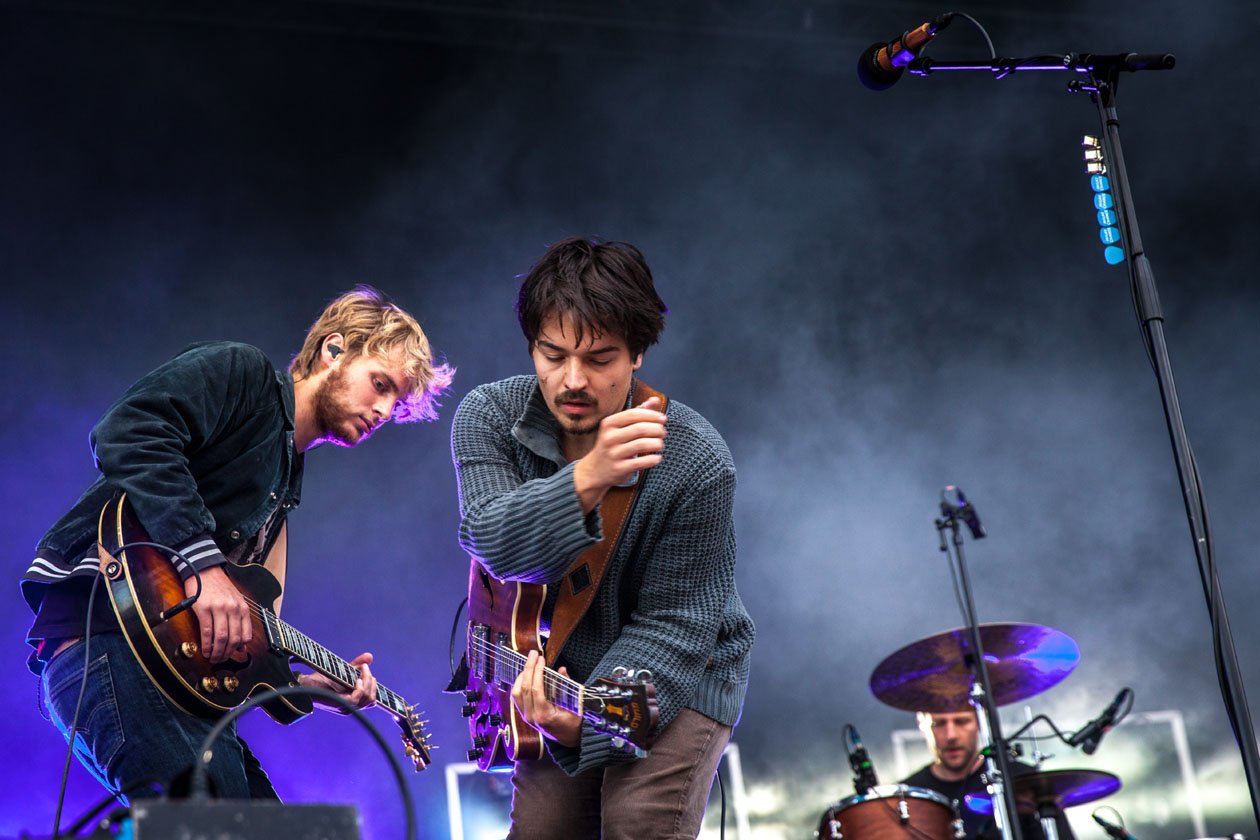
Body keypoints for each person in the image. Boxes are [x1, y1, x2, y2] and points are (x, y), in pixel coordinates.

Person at [22, 285, 452, 802]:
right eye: (380, 384)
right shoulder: (244, 376)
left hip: (174, 683)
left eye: (397, 404)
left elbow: (233, 624)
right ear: (333, 350)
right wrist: (203, 565)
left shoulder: (285, 481)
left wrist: (305, 689)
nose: (384, 410)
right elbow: (129, 428)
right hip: (110, 645)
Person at [451, 236, 756, 839]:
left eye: (599, 359)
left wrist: (588, 724)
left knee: (636, 823)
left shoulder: (698, 458)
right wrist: (588, 478)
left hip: (681, 676)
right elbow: (493, 541)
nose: (572, 380)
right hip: (561, 669)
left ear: (638, 353)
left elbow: (674, 625)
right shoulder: (487, 415)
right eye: (552, 353)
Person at [901, 709, 1076, 840]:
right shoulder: (905, 796)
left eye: (961, 721)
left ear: (979, 720)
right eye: (938, 724)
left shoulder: (1023, 779)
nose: (951, 735)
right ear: (921, 724)